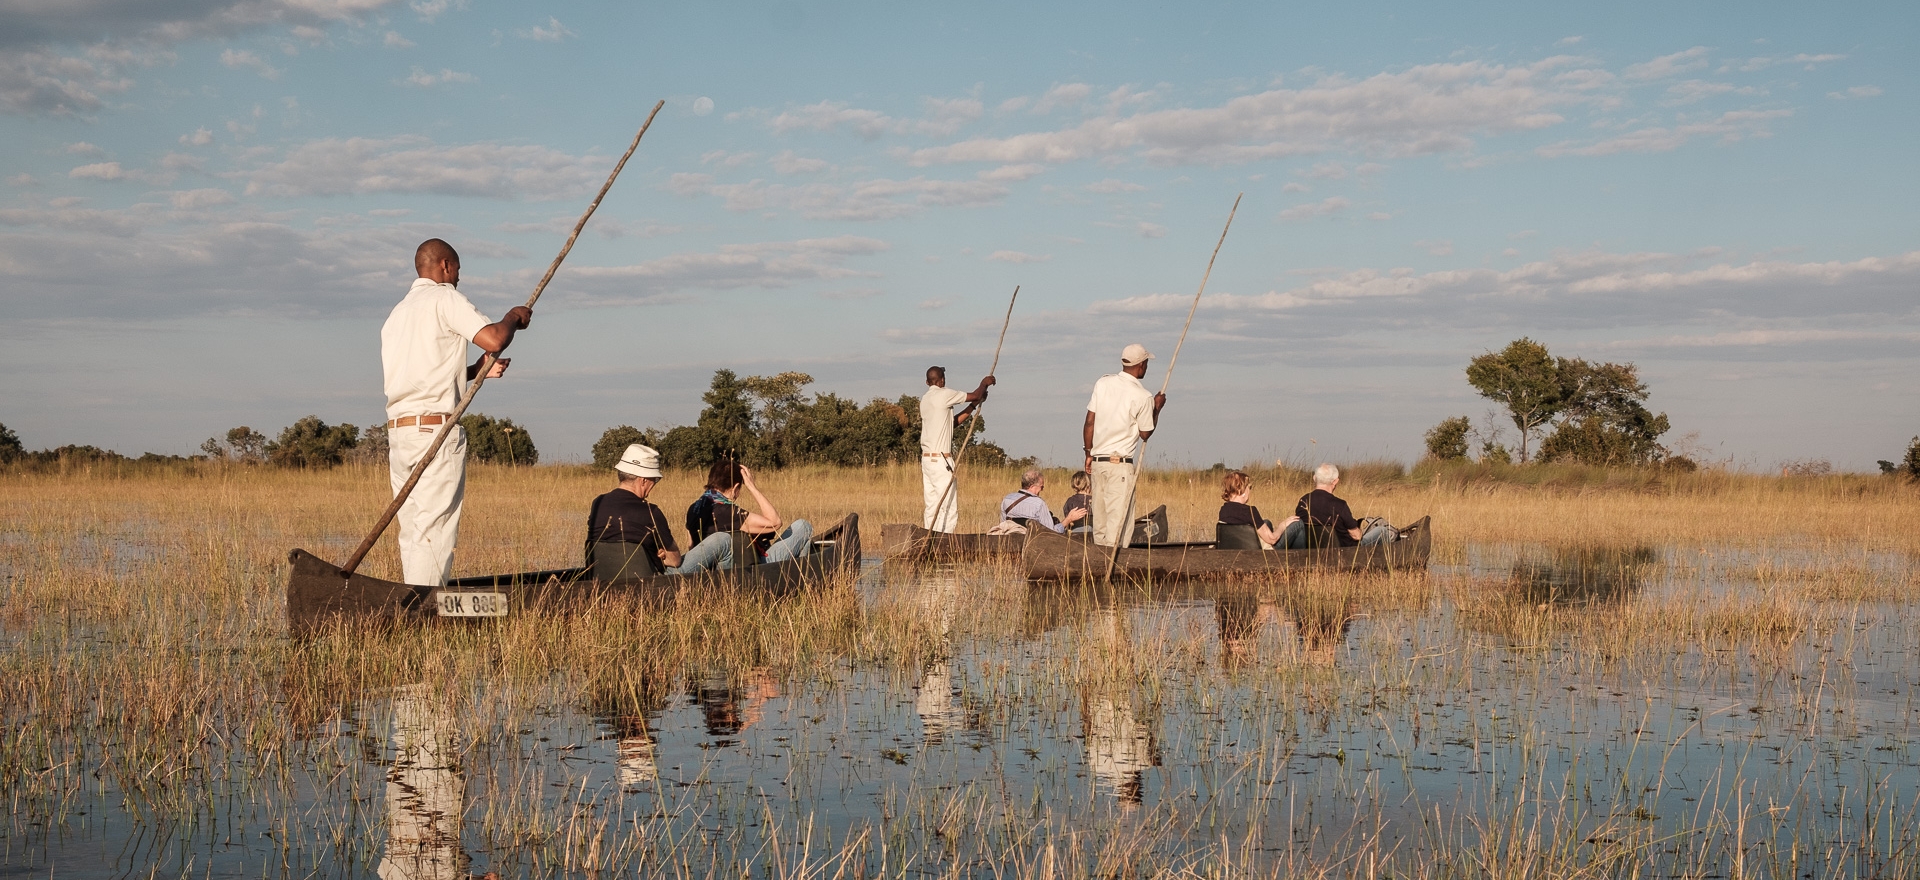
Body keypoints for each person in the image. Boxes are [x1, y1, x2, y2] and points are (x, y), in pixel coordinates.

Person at [381, 238, 532, 587]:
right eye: (458, 270)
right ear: (446, 266)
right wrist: (512, 318)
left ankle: (413, 598)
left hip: (400, 434)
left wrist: (474, 370)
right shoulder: (444, 297)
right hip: (434, 432)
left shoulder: (397, 314)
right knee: (435, 528)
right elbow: (495, 339)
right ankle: (426, 610)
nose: (459, 278)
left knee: (415, 529)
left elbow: (422, 375)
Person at [585, 443, 712, 577]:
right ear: (643, 480)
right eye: (655, 480)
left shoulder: (598, 503)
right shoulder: (651, 512)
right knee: (722, 541)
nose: (654, 485)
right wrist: (658, 554)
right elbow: (674, 560)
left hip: (602, 579)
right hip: (646, 584)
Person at [1082, 344, 1166, 547]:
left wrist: (1088, 453)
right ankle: (1112, 569)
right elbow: (1145, 433)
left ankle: (1099, 567)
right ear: (1142, 365)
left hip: (1098, 463)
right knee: (1118, 524)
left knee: (1100, 524)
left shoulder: (1103, 383)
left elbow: (1090, 421)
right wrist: (1157, 408)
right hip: (1119, 466)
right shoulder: (1143, 396)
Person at [686, 458, 814, 566]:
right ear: (736, 487)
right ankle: (800, 580)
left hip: (714, 567)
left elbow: (691, 547)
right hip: (751, 568)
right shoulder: (727, 512)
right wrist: (752, 486)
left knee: (805, 543)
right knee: (803, 526)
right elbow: (775, 523)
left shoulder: (694, 508)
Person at [919, 366, 995, 532]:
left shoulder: (925, 399)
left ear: (927, 382)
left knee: (931, 506)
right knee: (948, 506)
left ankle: (929, 539)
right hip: (941, 461)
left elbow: (951, 424)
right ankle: (943, 542)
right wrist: (984, 383)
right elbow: (975, 394)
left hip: (926, 461)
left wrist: (973, 407)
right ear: (942, 381)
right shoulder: (944, 393)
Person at [1285, 463, 1396, 548]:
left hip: (1314, 550)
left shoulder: (1303, 501)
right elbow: (1357, 536)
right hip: (1345, 550)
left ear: (1314, 478)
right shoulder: (1339, 505)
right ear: (1335, 481)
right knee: (1382, 531)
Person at [1218, 470, 1298, 548]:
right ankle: (1300, 557)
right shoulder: (1250, 511)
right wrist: (1282, 525)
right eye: (1249, 487)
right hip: (1261, 554)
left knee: (1266, 522)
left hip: (1237, 549)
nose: (1250, 491)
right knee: (1298, 524)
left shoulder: (1223, 510)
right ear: (1240, 490)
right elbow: (1272, 539)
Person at [998, 468, 1087, 534]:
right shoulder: (1038, 504)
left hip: (1010, 540)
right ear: (1032, 486)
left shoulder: (1007, 499)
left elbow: (1003, 524)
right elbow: (1051, 533)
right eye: (1042, 487)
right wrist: (1068, 519)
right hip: (1031, 543)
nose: (1042, 490)